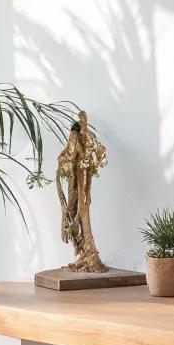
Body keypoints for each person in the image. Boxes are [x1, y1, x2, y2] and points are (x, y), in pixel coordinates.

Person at [57, 111, 108, 273]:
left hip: (83, 173)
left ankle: (90, 256)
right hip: (76, 174)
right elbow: (66, 157)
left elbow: (93, 152)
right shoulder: (73, 145)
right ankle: (85, 252)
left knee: (82, 205)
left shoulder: (87, 140)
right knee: (74, 208)